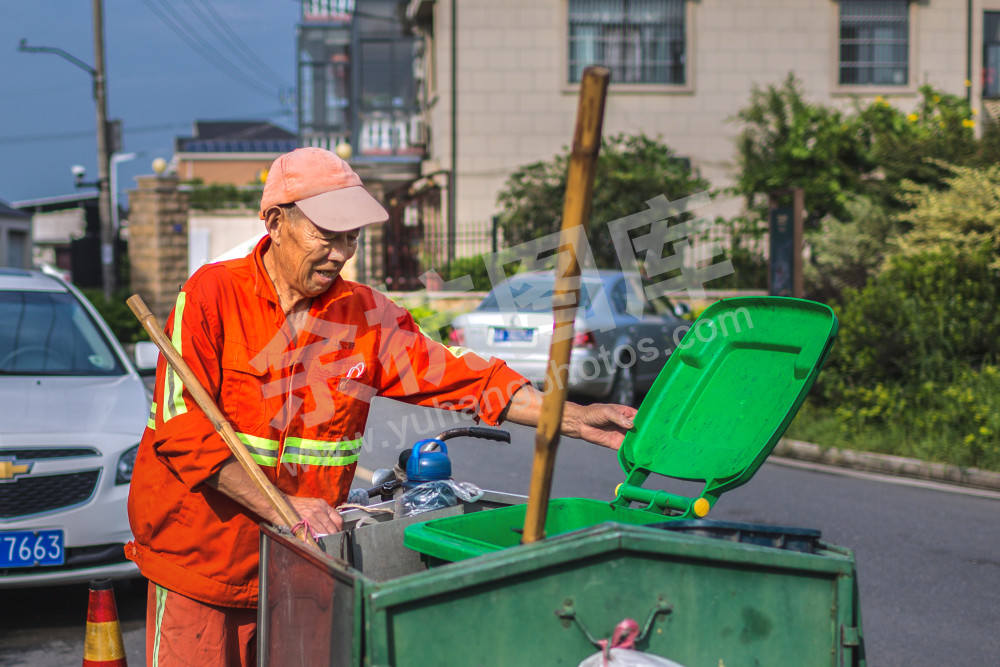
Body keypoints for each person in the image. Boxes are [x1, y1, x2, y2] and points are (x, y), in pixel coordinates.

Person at [125, 147, 637, 666]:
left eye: (351, 238)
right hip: (201, 568)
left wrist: (570, 416)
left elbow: (464, 377)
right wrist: (286, 505)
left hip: (303, 573)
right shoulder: (211, 295)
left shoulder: (366, 317)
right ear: (276, 222)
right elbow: (181, 431)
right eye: (327, 235)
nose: (340, 253)